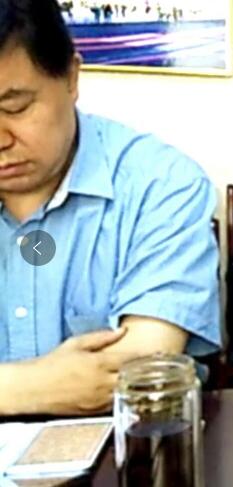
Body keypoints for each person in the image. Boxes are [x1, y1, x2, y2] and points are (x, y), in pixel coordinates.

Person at [0, 0, 220, 415]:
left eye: (14, 108)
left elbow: (139, 369)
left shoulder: (160, 183)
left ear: (71, 77)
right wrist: (28, 388)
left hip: (120, 447)